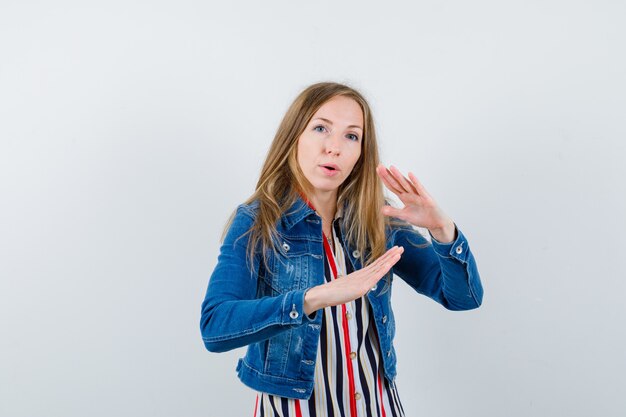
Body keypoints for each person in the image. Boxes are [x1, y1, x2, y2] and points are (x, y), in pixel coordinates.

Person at [200, 81, 483, 417]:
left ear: (361, 153)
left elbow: (463, 298)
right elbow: (216, 327)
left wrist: (441, 230)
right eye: (321, 128)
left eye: (351, 136)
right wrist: (313, 298)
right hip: (296, 409)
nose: (334, 147)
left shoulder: (378, 219)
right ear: (294, 138)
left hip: (378, 407)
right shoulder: (258, 221)